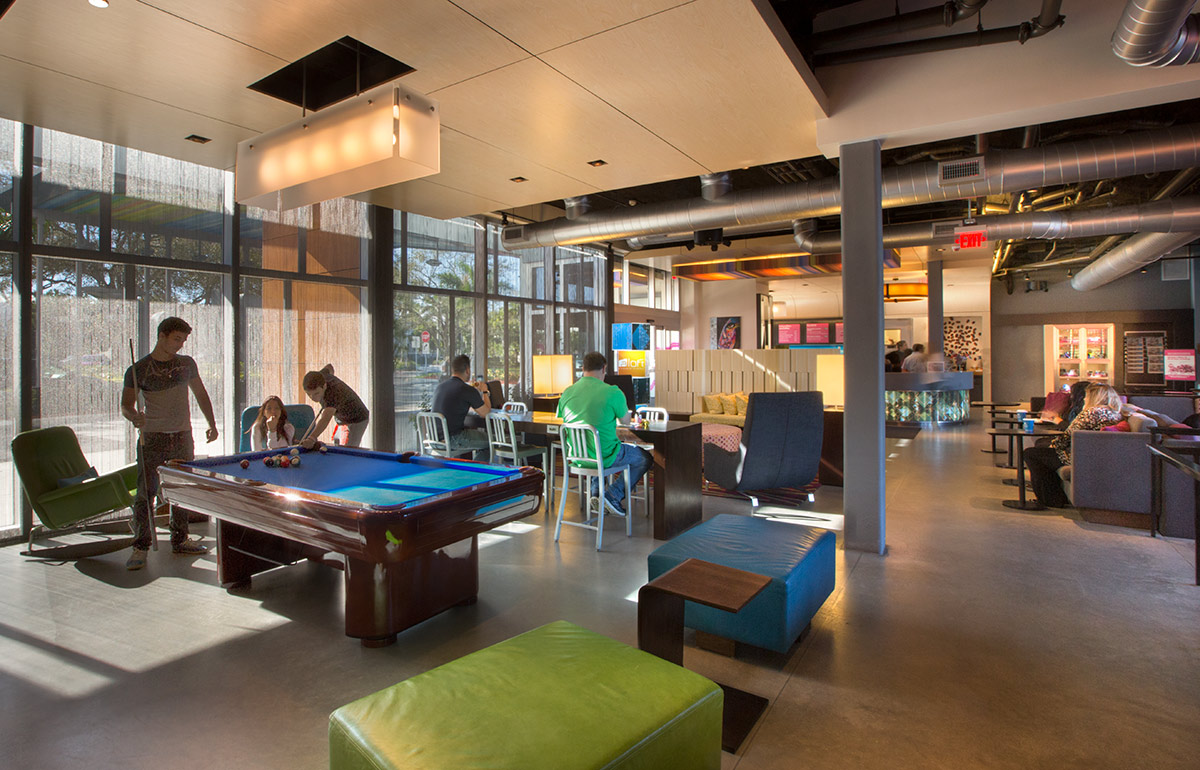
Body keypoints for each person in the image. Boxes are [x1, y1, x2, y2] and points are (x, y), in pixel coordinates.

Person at [120, 316, 218, 570]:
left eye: (183, 340)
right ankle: (140, 546)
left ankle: (180, 539)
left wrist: (211, 423)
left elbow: (200, 393)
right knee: (146, 493)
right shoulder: (138, 369)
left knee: (181, 489)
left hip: (182, 435)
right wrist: (134, 417)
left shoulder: (186, 364)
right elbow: (125, 405)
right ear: (161, 336)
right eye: (177, 339)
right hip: (152, 438)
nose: (181, 345)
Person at [556, 351, 652, 516]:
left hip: (577, 458)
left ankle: (595, 495)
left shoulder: (567, 392)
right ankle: (613, 495)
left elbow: (563, 418)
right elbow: (626, 421)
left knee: (596, 449)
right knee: (645, 458)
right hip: (605, 455)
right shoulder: (612, 392)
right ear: (604, 369)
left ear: (583, 368)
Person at [1023, 383, 1123, 508]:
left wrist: (1052, 445)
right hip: (1093, 454)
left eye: (1087, 396)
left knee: (1031, 453)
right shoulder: (1114, 414)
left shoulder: (1090, 413)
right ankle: (1054, 496)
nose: (1085, 399)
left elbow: (1068, 436)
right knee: (1041, 452)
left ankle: (1049, 499)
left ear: (1094, 397)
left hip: (1077, 456)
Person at [430, 354, 491, 458]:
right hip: (453, 440)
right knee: (491, 442)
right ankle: (474, 473)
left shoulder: (440, 387)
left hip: (434, 440)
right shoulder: (467, 389)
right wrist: (485, 391)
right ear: (467, 370)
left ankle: (467, 469)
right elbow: (486, 413)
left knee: (469, 436)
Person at [301, 364, 369, 448]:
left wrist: (311, 438)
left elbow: (325, 419)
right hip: (342, 417)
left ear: (325, 386)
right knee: (338, 443)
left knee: (348, 450)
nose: (313, 398)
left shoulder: (332, 394)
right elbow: (329, 367)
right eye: (309, 394)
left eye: (316, 393)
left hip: (357, 419)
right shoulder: (319, 377)